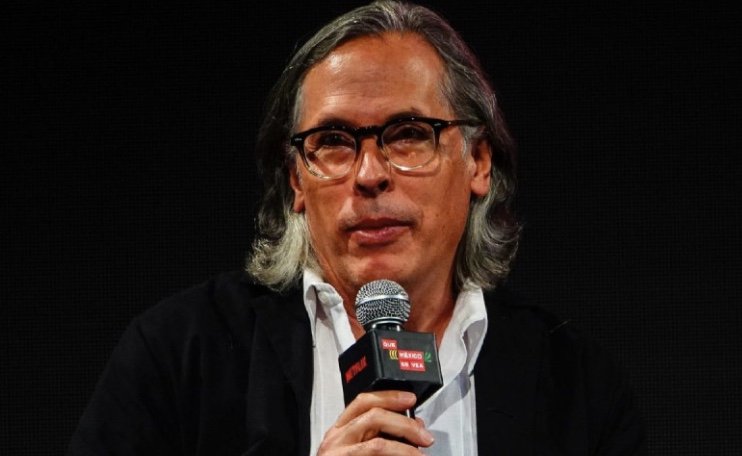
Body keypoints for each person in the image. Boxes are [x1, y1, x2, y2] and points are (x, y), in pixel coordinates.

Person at [69, 1, 645, 454]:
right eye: (333, 142)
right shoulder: (179, 355)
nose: (369, 175)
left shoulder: (578, 386)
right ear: (297, 180)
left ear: (477, 162)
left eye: (409, 135)